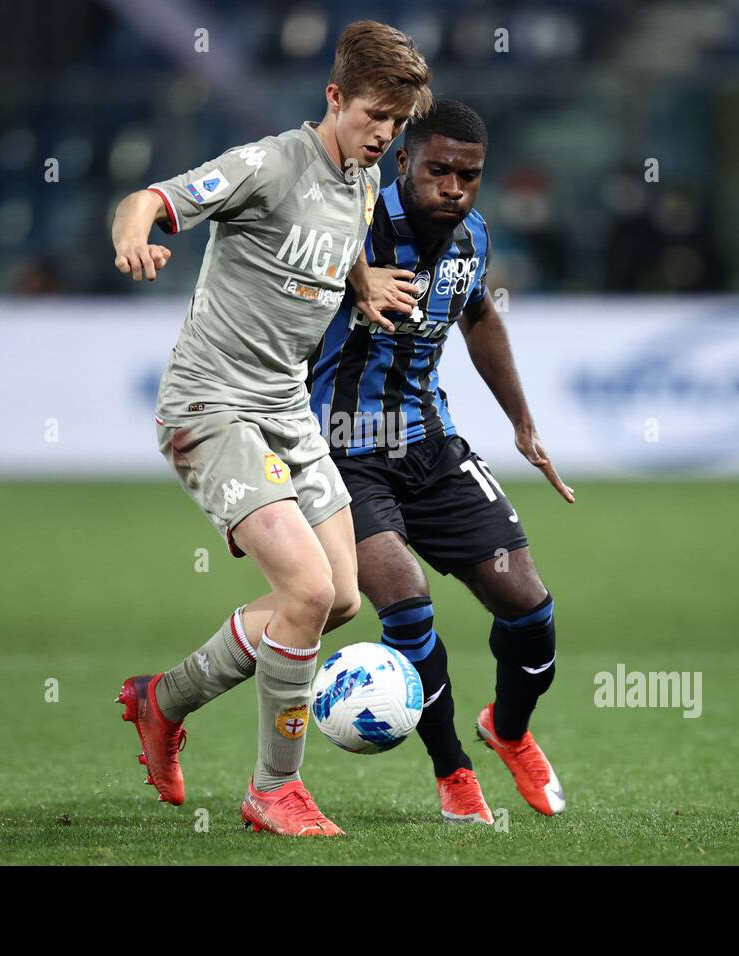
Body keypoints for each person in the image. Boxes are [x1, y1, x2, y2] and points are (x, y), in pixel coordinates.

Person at [108, 20, 432, 837]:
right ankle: (272, 791)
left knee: (343, 600)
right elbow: (147, 199)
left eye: (396, 124)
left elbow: (341, 233)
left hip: (286, 411)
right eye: (373, 119)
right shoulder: (268, 163)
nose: (385, 137)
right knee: (307, 592)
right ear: (333, 99)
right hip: (212, 406)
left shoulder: (359, 176)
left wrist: (361, 287)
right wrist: (135, 238)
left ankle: (163, 700)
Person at [308, 99, 574, 823]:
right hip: (345, 455)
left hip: (431, 445)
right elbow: (283, 323)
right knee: (406, 598)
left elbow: (478, 313)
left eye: (470, 175)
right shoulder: (349, 227)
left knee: (530, 606)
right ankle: (453, 771)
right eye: (439, 170)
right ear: (404, 163)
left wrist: (523, 423)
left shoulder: (472, 238)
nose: (454, 187)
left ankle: (508, 731)